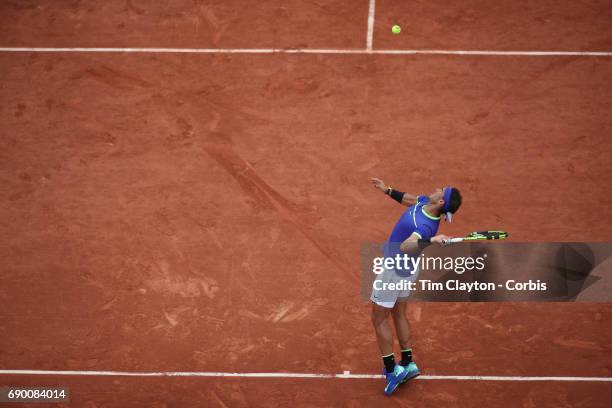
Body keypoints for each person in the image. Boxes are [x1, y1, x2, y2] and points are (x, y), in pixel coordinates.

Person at [369, 178, 462, 395]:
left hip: (395, 269)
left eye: (442, 190)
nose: (438, 188)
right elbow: (409, 199)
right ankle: (408, 363)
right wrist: (387, 190)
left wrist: (432, 239)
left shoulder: (426, 226)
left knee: (379, 318)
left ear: (440, 201)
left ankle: (392, 370)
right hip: (409, 269)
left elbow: (406, 245)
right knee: (399, 312)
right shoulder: (424, 204)